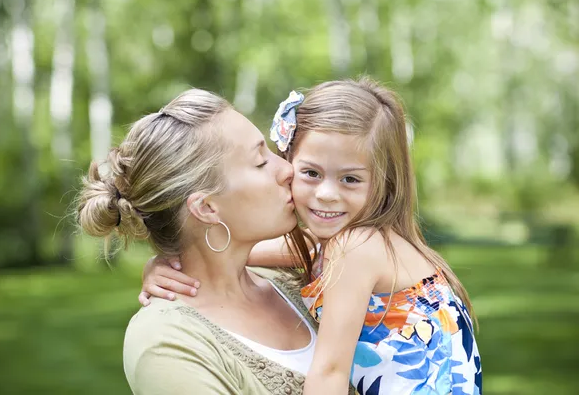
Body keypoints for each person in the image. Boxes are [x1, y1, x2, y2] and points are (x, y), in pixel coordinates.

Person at [141, 77, 482, 395]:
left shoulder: (355, 250)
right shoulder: (345, 246)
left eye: (350, 179)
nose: (327, 194)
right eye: (311, 173)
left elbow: (330, 373)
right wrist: (167, 262)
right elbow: (235, 250)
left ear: (383, 183)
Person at [76, 88, 350, 394]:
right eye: (261, 163)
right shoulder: (167, 344)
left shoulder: (300, 282)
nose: (287, 170)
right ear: (206, 208)